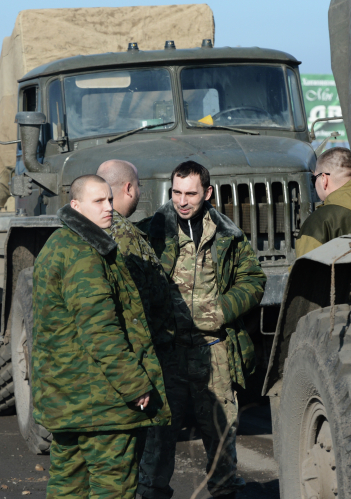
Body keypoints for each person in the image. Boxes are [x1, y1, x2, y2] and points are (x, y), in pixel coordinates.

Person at [32, 174, 170, 499]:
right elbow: (100, 329)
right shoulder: (83, 254)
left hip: (68, 400)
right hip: (100, 404)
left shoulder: (61, 244)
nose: (109, 208)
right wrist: (134, 385)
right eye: (98, 202)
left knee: (68, 487)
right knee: (114, 488)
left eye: (110, 200)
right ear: (75, 205)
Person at [139, 161, 266, 499]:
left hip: (214, 350)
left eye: (191, 193)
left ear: (207, 193)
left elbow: (254, 280)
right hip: (166, 352)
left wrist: (221, 311)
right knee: (158, 438)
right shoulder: (152, 232)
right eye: (177, 192)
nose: (182, 201)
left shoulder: (228, 236)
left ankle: (224, 492)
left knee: (221, 434)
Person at [96, 160, 174, 347]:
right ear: (129, 188)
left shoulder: (85, 227)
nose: (139, 191)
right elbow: (140, 303)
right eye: (138, 186)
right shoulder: (125, 236)